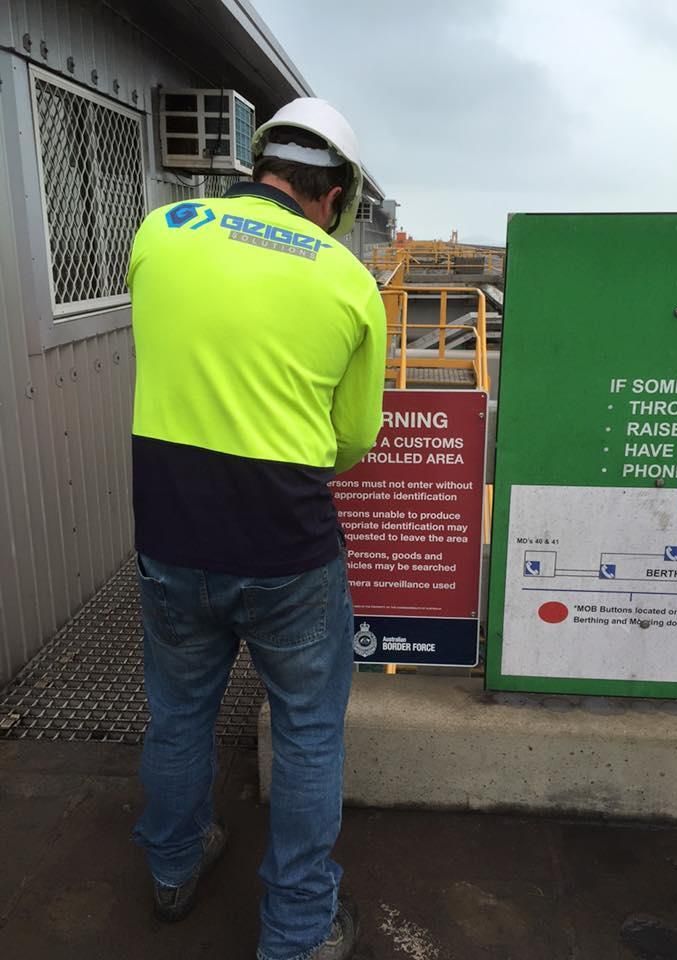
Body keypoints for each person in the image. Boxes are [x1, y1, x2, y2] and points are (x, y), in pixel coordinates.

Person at [127, 98, 386, 960]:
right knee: (309, 730)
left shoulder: (162, 231)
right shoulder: (348, 282)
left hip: (168, 533)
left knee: (178, 713)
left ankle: (172, 871)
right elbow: (354, 440)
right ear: (338, 195)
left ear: (258, 160)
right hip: (286, 550)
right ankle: (300, 932)